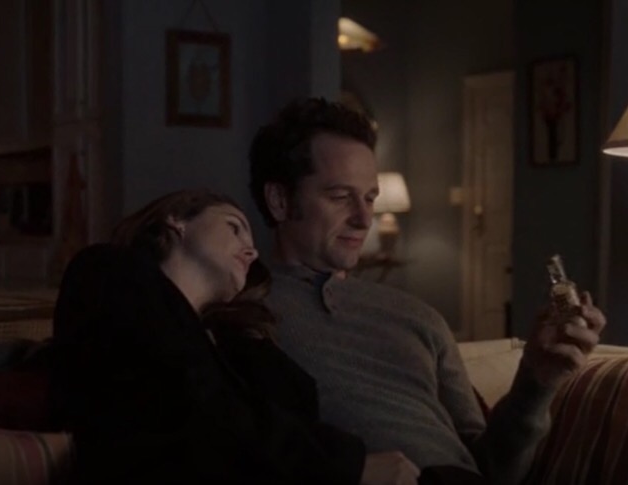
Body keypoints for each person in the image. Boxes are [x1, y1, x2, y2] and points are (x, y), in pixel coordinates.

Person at [0, 190, 420, 485]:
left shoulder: (239, 345)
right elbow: (40, 364)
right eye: (235, 227)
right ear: (176, 222)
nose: (250, 248)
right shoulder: (110, 274)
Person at [247, 97, 606, 484]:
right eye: (340, 197)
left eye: (369, 198)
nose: (364, 218)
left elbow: (494, 469)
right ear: (279, 200)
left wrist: (536, 380)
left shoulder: (417, 316)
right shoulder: (239, 312)